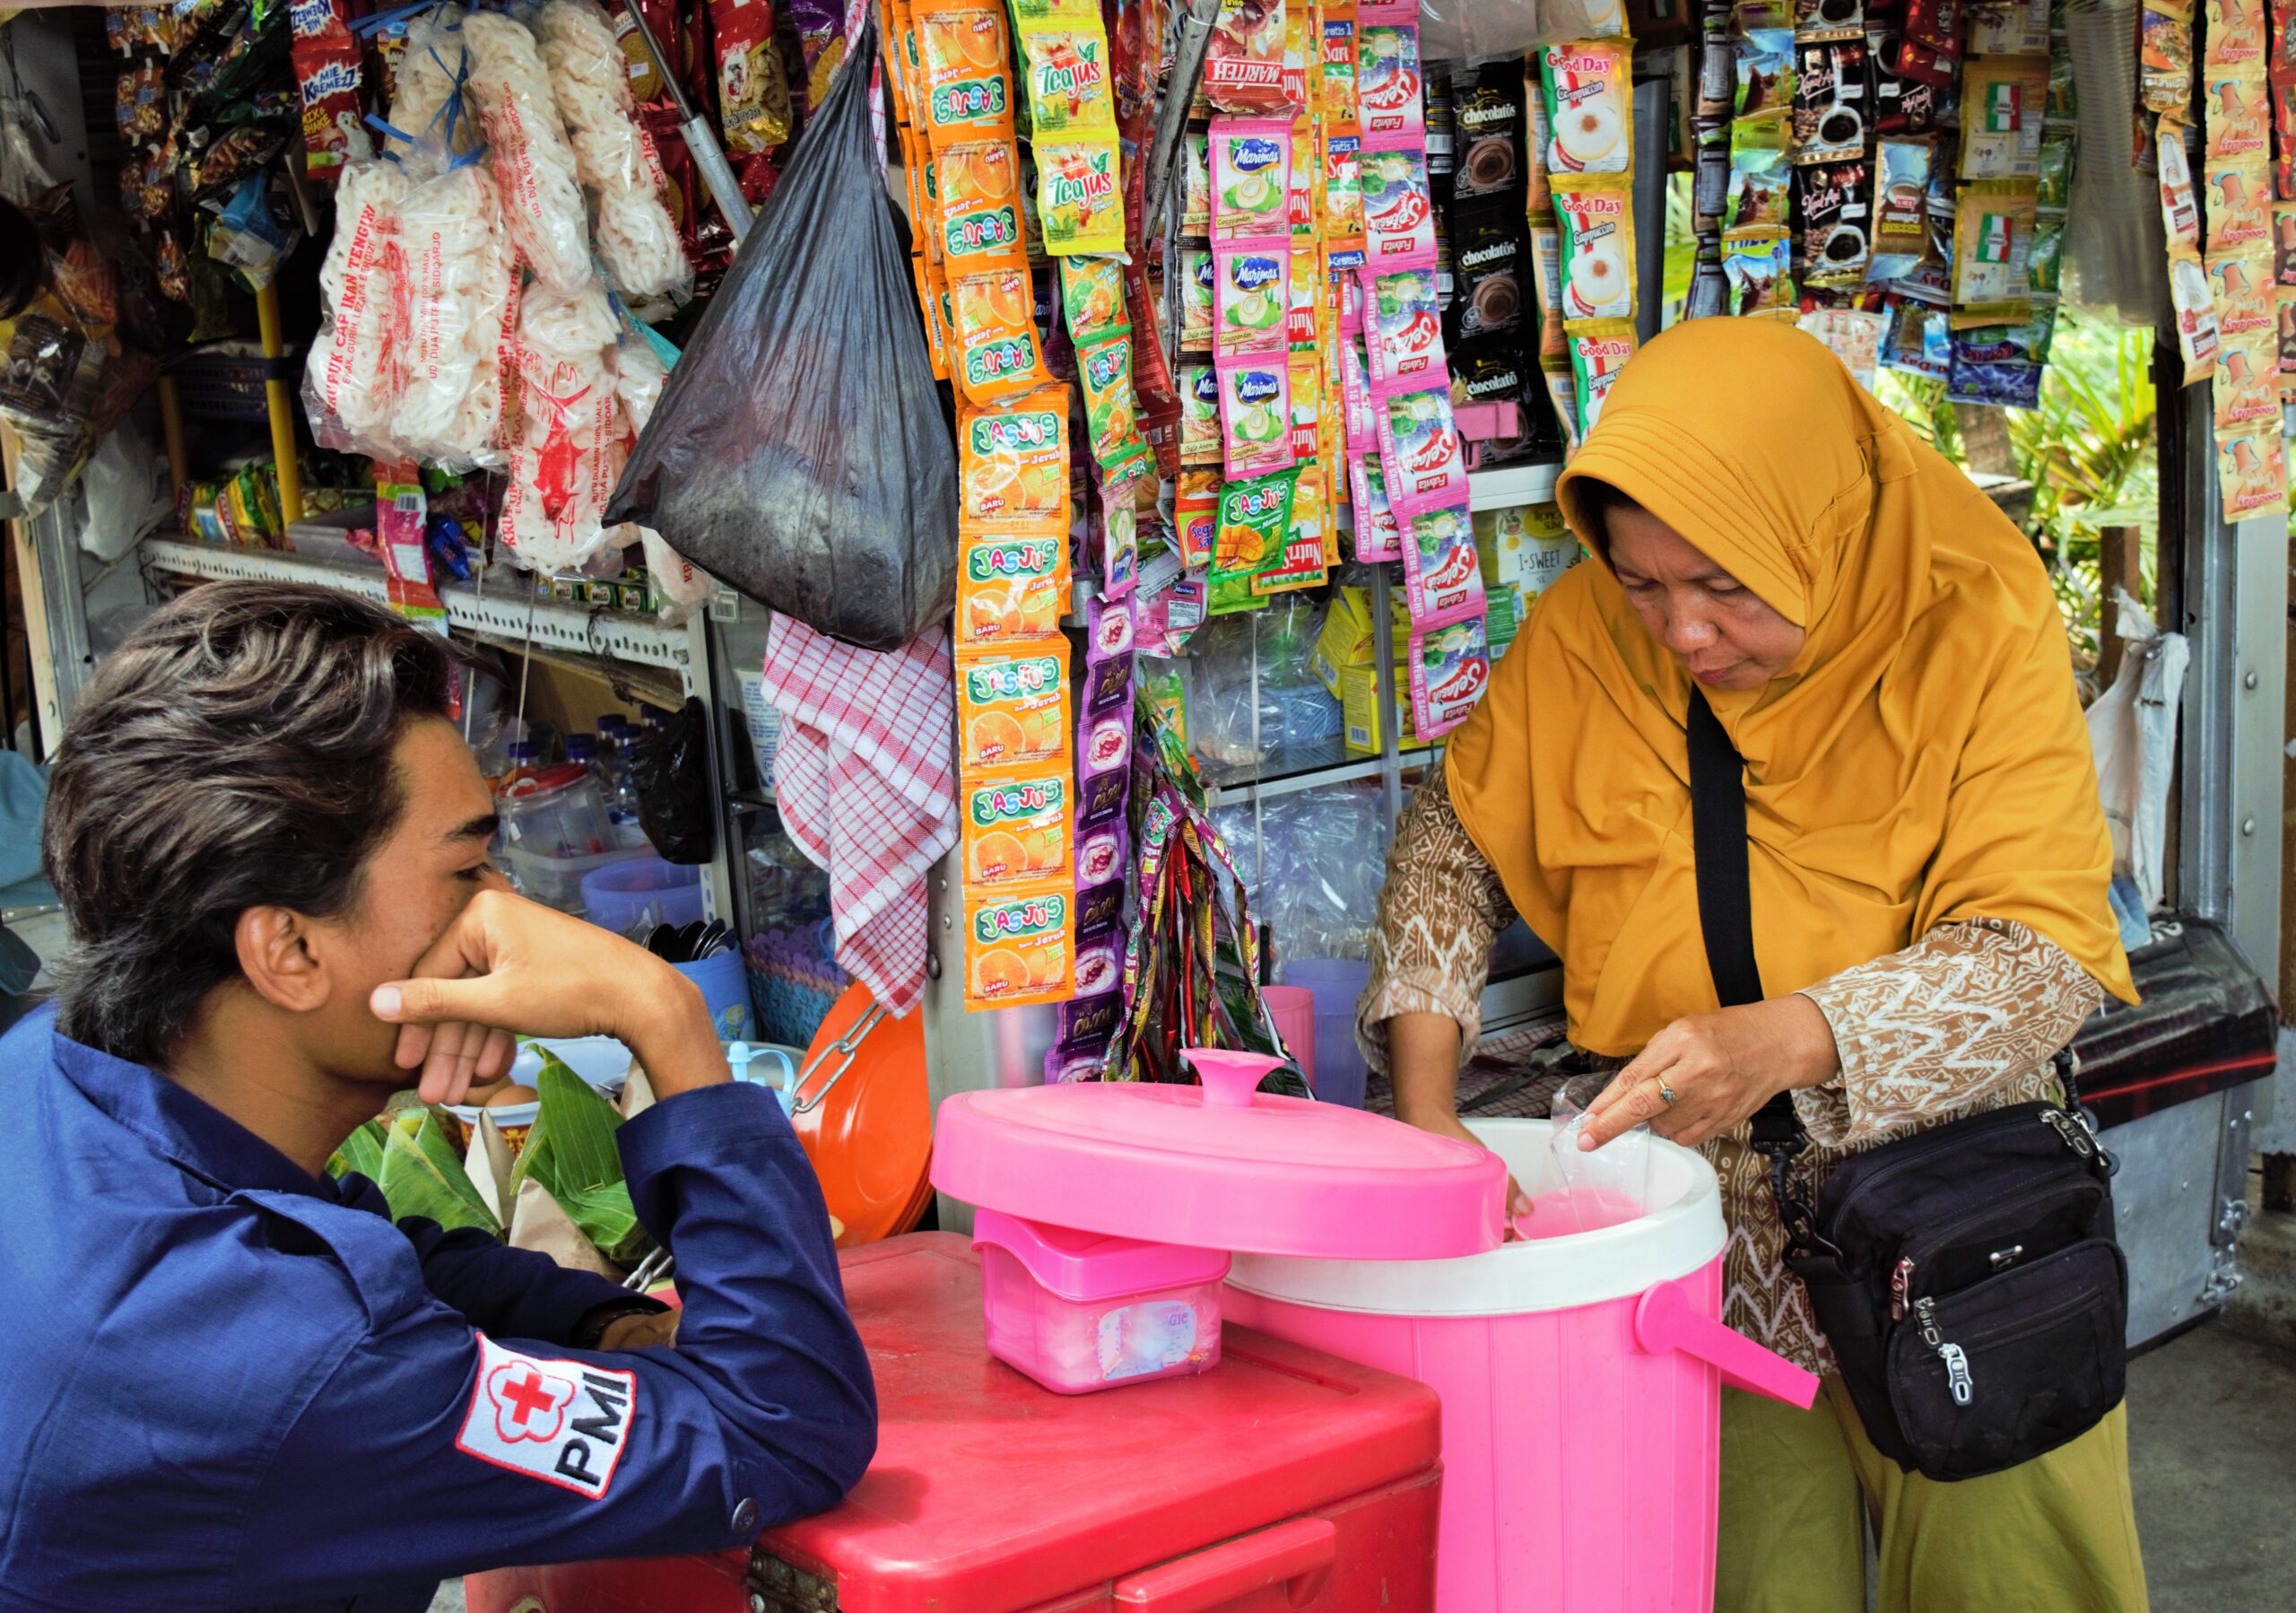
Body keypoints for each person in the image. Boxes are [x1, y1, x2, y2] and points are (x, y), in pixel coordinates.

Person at [1361, 320, 2148, 1612]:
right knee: (1742, 1582)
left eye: (1724, 583)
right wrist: (1431, 1121)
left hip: (1954, 1219)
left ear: (1818, 526)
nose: (1681, 629)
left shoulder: (1974, 617)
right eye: (1641, 582)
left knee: (2015, 1581)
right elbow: (1455, 833)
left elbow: (2039, 956)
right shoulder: (1586, 637)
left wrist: (1787, 1039)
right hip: (1702, 1247)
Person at [0, 583, 876, 1613]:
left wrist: (599, 1321)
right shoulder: (291, 1370)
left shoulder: (50, 1067)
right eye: (469, 868)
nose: (510, 909)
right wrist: (664, 1011)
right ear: (288, 948)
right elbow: (781, 1429)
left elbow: (353, 1251)